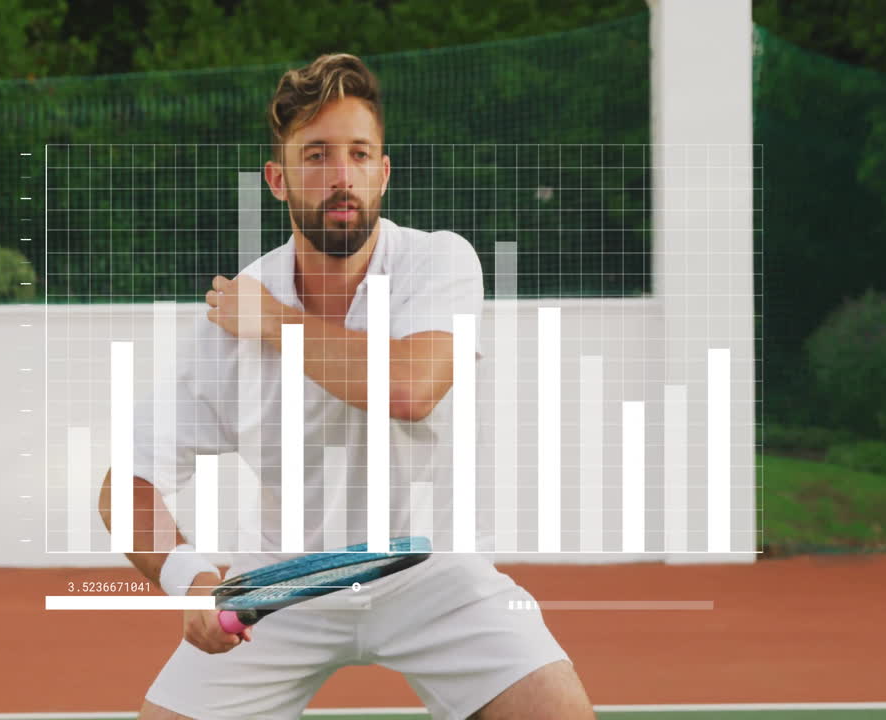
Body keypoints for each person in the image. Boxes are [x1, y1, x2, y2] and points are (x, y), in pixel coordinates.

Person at [99, 53, 593, 720]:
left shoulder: (436, 262)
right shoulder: (228, 326)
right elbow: (127, 481)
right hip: (283, 587)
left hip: (436, 574)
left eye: (359, 155)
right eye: (316, 156)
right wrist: (193, 582)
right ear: (277, 180)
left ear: (383, 173)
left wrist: (275, 323)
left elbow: (412, 387)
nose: (341, 177)